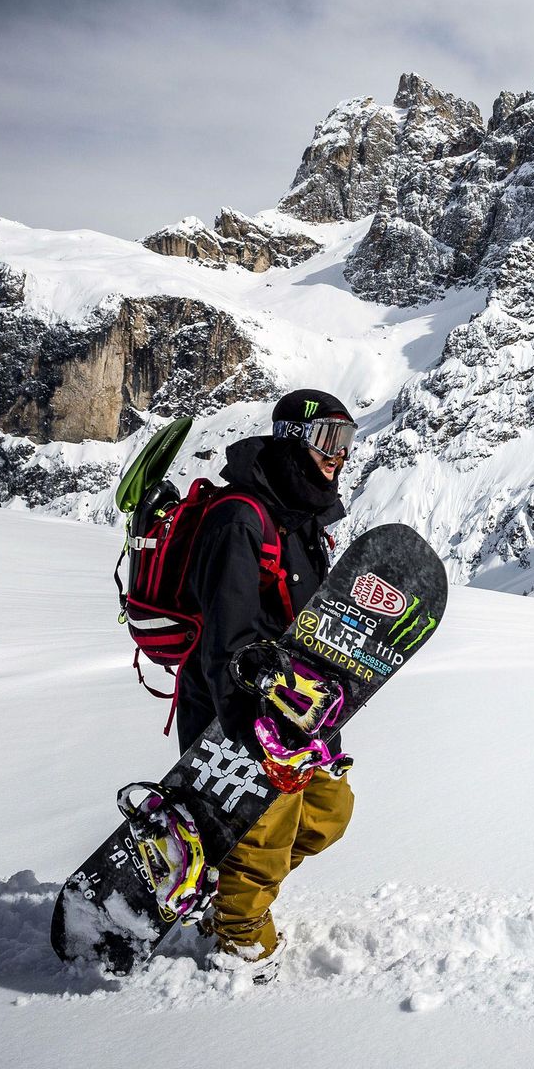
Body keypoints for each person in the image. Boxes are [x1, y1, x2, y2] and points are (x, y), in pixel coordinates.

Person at [177, 387, 357, 981]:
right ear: (293, 440)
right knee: (266, 822)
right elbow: (224, 639)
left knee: (328, 811)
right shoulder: (239, 518)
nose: (340, 456)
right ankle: (240, 938)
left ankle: (227, 883)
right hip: (233, 707)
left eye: (348, 443)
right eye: (329, 440)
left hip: (292, 707)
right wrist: (246, 736)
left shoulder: (299, 519)